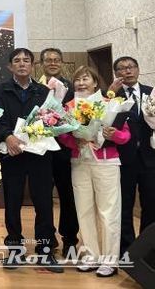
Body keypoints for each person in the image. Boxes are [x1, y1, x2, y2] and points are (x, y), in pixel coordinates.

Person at [0, 48, 62, 272]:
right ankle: (15, 250)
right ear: (10, 66)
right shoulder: (0, 90)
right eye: (17, 61)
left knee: (43, 202)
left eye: (26, 60)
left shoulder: (44, 91)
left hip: (39, 154)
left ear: (33, 65)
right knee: (12, 202)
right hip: (12, 153)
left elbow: (51, 119)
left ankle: (45, 250)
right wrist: (8, 136)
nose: (22, 64)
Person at [59, 66, 129, 278]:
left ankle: (110, 260)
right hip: (80, 162)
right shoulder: (68, 107)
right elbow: (62, 136)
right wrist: (75, 141)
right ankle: (91, 255)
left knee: (108, 212)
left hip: (106, 162)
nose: (81, 83)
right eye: (77, 80)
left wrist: (113, 134)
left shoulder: (111, 103)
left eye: (85, 79)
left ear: (96, 83)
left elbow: (125, 136)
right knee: (84, 210)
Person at [108, 56, 154, 256]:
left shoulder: (151, 93)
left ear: (138, 69)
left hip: (149, 158)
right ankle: (126, 249)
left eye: (131, 67)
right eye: (122, 68)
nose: (127, 71)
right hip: (122, 159)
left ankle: (147, 249)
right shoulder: (111, 95)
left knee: (151, 204)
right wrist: (109, 95)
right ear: (116, 73)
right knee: (124, 205)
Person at [38, 48, 79, 256]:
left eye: (56, 60)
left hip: (65, 150)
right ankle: (47, 237)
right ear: (41, 64)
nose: (52, 63)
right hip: (41, 149)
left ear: (62, 63)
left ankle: (70, 238)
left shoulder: (73, 88)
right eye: (48, 60)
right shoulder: (35, 88)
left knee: (67, 195)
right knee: (43, 197)